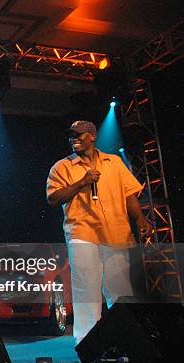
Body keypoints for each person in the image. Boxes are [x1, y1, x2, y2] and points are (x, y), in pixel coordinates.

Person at [46, 120, 152, 344]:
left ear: (92, 136)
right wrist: (81, 183)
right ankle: (87, 346)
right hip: (83, 234)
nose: (73, 139)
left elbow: (129, 195)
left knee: (121, 292)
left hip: (117, 234)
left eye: (78, 135)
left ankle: (125, 343)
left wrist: (140, 218)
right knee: (87, 293)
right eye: (70, 135)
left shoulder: (113, 162)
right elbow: (53, 198)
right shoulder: (62, 167)